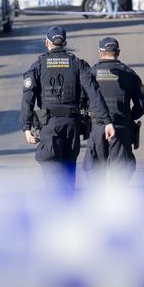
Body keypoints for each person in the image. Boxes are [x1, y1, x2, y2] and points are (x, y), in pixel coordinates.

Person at [21, 26, 115, 190]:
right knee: (68, 168)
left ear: (47, 43)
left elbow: (27, 99)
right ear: (64, 42)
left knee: (51, 166)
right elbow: (94, 94)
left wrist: (26, 127)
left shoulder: (38, 65)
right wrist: (107, 121)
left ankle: (58, 205)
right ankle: (68, 202)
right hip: (72, 125)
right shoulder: (78, 64)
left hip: (49, 126)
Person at [83, 37, 144, 181]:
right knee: (120, 180)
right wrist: (128, 117)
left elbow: (81, 102)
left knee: (95, 178)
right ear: (118, 52)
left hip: (97, 128)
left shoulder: (90, 73)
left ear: (100, 53)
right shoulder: (130, 74)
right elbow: (142, 106)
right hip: (121, 128)